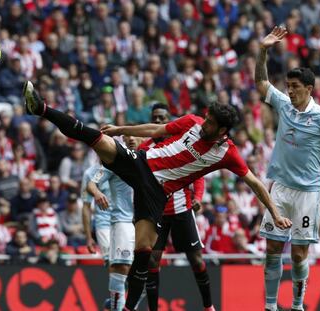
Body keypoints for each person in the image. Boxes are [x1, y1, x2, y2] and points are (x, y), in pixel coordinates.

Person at [23, 80, 291, 311]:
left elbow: (255, 183)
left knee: (144, 255)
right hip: (142, 163)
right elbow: (156, 130)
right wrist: (120, 130)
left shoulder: (227, 153)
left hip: (157, 193)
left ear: (222, 130)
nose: (204, 122)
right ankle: (41, 108)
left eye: (210, 122)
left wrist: (276, 214)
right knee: (95, 137)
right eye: (206, 117)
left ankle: (129, 307)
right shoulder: (193, 122)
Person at [254, 26, 320, 311]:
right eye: (289, 85)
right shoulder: (283, 105)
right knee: (272, 249)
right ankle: (270, 306)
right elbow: (261, 84)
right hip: (281, 189)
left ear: (309, 89)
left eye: (295, 87)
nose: (290, 90)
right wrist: (263, 50)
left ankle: (297, 305)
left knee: (298, 254)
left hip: (308, 193)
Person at [137, 103, 214, 311]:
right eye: (155, 118)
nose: (159, 122)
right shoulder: (144, 148)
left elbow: (197, 173)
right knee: (153, 261)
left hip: (181, 209)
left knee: (196, 260)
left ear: (170, 120)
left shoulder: (181, 142)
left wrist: (197, 197)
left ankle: (208, 306)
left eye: (163, 118)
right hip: (157, 213)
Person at [82, 155, 135, 311]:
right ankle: (115, 305)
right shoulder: (89, 174)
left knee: (129, 266)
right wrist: (88, 237)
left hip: (126, 221)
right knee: (115, 264)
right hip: (104, 224)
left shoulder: (122, 165)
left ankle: (117, 303)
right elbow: (86, 206)